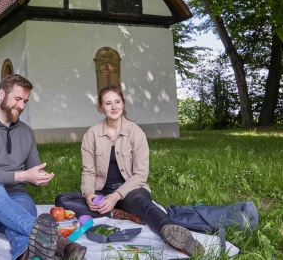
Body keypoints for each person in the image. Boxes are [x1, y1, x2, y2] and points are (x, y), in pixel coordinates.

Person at [55, 85, 204, 256]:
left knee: (142, 203)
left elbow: (140, 174)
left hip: (130, 190)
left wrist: (116, 195)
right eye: (108, 103)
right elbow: (88, 171)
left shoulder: (135, 132)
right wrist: (89, 194)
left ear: (123, 103)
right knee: (62, 199)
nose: (114, 107)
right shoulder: (92, 134)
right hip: (101, 192)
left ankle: (170, 231)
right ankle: (120, 214)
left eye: (117, 101)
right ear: (101, 107)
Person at [0, 74, 87, 260]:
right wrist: (22, 176)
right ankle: (61, 244)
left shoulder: (26, 132)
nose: (21, 106)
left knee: (22, 210)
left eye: (25, 101)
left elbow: (32, 169)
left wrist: (38, 177)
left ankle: (23, 254)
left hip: (15, 198)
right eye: (18, 99)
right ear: (1, 94)